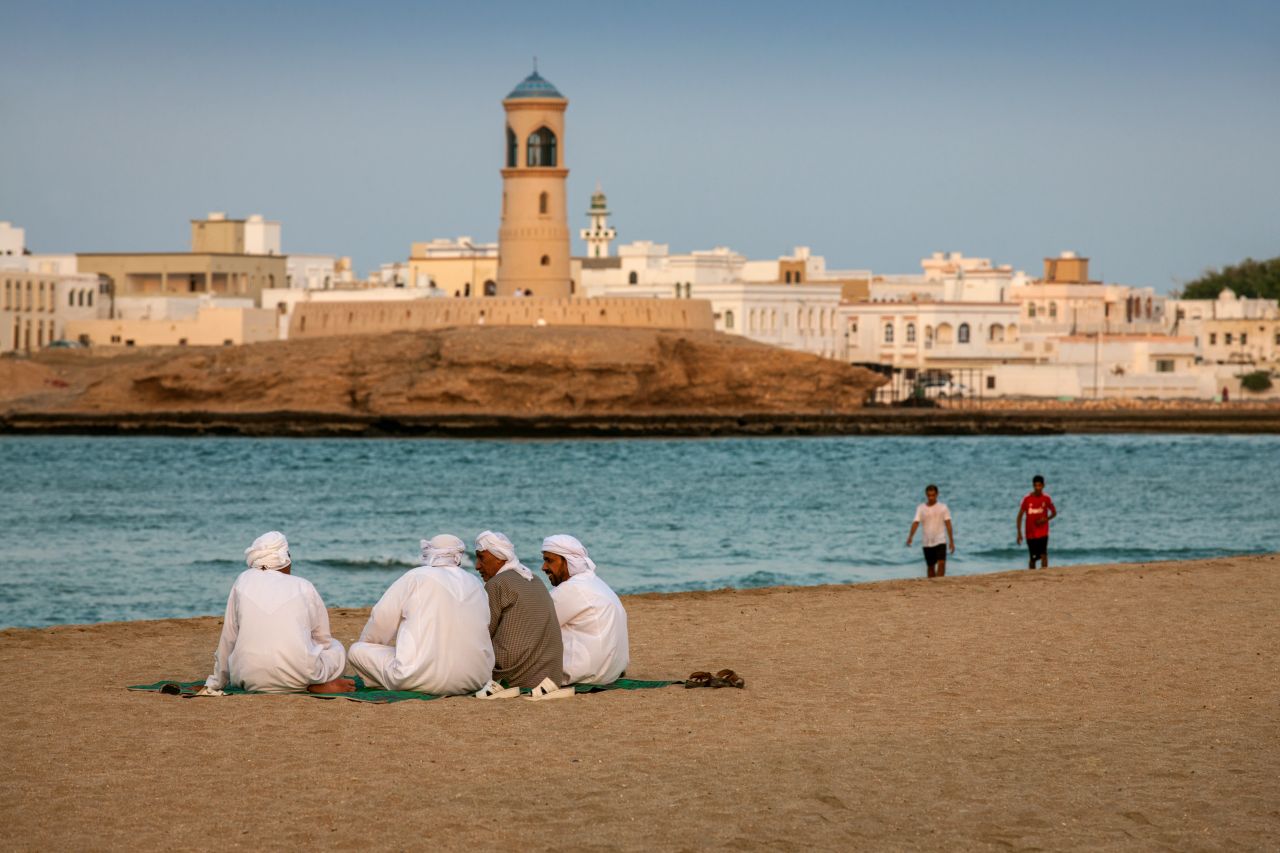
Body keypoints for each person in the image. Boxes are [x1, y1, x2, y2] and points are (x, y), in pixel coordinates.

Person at [205, 531, 352, 694]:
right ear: (285, 558)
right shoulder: (303, 586)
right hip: (299, 678)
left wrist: (217, 682)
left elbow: (229, 637)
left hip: (249, 679)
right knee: (337, 649)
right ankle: (311, 685)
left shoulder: (242, 581)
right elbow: (323, 640)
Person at [347, 534, 494, 695]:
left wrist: (370, 646)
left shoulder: (416, 576)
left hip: (420, 679)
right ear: (457, 557)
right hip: (476, 679)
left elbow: (381, 619)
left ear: (429, 552)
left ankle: (385, 683)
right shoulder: (475, 583)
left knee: (357, 650)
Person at [474, 530, 564, 689]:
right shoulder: (534, 579)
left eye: (481, 558)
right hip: (551, 676)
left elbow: (483, 635)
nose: (477, 566)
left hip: (516, 678)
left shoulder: (497, 584)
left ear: (499, 558)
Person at [541, 534, 629, 685]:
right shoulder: (597, 583)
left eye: (549, 560)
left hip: (585, 675)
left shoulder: (571, 589)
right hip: (611, 672)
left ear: (567, 562)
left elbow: (532, 627)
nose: (543, 567)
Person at [906, 484, 955, 578]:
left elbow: (948, 523)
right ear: (926, 495)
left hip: (940, 539)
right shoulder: (921, 508)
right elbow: (916, 522)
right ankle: (931, 586)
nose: (931, 497)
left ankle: (940, 582)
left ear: (937, 494)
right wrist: (910, 536)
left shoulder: (943, 507)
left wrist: (951, 541)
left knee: (941, 563)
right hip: (927, 542)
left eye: (933, 495)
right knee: (930, 566)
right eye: (929, 495)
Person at [1016, 475, 1058, 569]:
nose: (1037, 488)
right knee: (1033, 558)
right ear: (1033, 486)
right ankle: (1032, 576)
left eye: (1039, 485)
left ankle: (1044, 575)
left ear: (1043, 485)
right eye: (1035, 485)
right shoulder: (1027, 499)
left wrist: (1045, 519)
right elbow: (1019, 516)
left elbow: (1054, 513)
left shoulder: (1046, 498)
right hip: (1030, 533)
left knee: (1044, 555)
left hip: (1043, 532)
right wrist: (1019, 533)